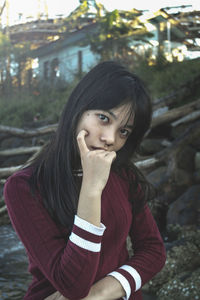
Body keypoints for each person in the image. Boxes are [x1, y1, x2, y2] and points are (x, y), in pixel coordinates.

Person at [4, 61, 166, 300]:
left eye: (124, 131)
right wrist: (91, 189)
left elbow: (154, 250)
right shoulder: (25, 187)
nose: (110, 138)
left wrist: (99, 293)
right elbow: (72, 285)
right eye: (103, 118)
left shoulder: (124, 174)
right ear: (78, 108)